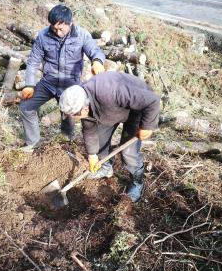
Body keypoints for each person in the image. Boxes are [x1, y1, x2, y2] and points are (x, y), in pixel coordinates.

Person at [59, 72, 160, 202]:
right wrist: (92, 155)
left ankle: (137, 182)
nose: (74, 119)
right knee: (99, 142)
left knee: (128, 152)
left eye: (73, 116)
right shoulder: (83, 100)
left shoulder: (110, 91)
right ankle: (106, 167)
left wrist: (148, 125)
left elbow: (152, 100)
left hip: (137, 110)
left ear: (84, 109)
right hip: (110, 112)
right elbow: (89, 130)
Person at [19, 5, 105, 152]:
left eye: (61, 29)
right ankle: (33, 143)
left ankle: (67, 143)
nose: (57, 32)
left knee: (69, 115)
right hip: (48, 82)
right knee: (26, 107)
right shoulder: (43, 36)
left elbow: (95, 50)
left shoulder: (82, 35)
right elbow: (33, 62)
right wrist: (29, 85)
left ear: (69, 23)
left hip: (70, 84)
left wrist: (97, 61)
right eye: (54, 29)